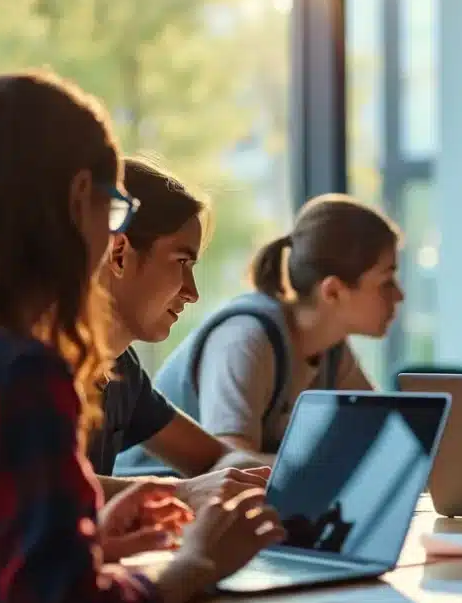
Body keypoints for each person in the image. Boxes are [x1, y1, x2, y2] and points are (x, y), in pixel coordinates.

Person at [0, 71, 282, 603]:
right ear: (75, 202)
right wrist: (195, 564)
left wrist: (84, 538)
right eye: (113, 209)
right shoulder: (15, 374)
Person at [154, 194, 403, 458]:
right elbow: (231, 465)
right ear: (333, 292)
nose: (399, 295)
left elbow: (381, 434)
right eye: (386, 282)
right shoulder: (245, 339)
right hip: (162, 490)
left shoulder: (332, 350)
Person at [90, 157, 269, 521]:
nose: (192, 292)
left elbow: (212, 456)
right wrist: (182, 493)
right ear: (119, 254)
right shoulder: (33, 363)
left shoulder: (120, 368)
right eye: (181, 262)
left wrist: (252, 477)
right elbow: (44, 491)